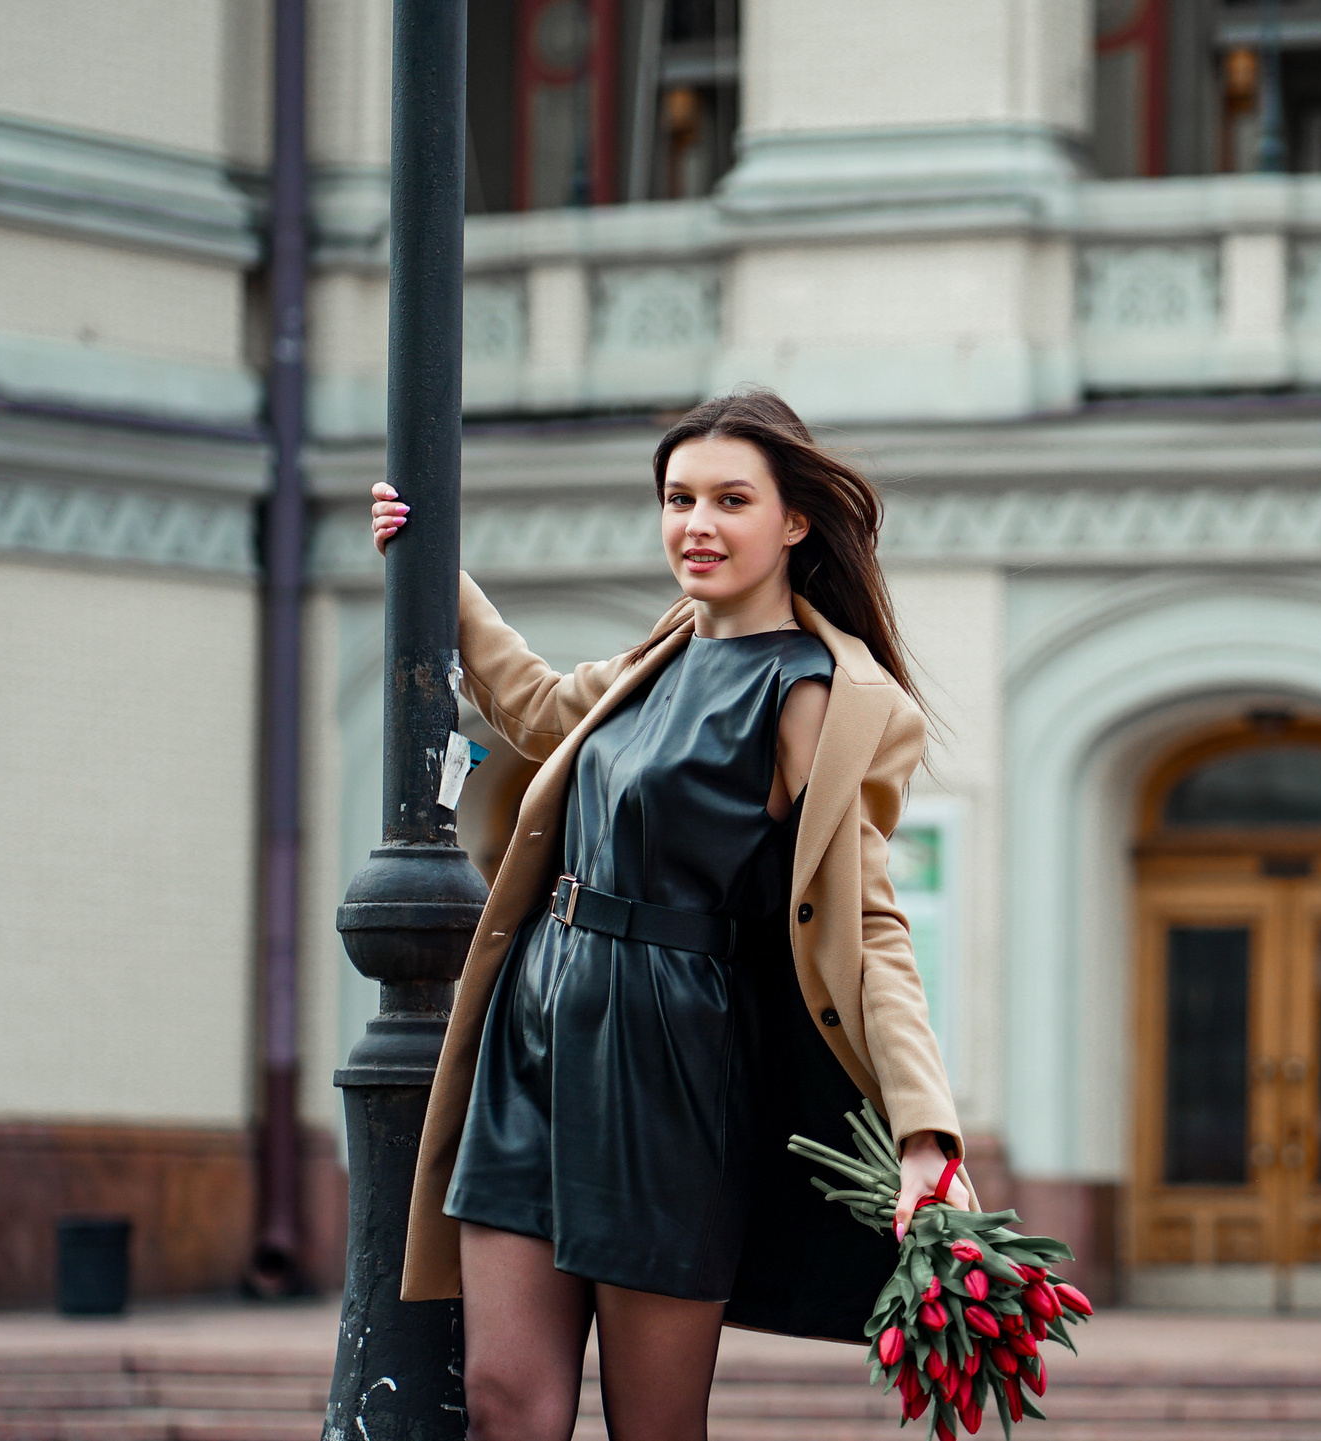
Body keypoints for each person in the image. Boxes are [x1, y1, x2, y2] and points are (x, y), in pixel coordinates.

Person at [369, 387, 972, 1441]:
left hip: (669, 1063)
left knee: (650, 1423)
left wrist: (927, 1134)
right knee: (507, 1404)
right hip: (531, 1037)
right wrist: (432, 569)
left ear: (794, 520)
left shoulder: (814, 697)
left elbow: (869, 927)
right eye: (678, 498)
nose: (697, 523)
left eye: (731, 499)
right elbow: (539, 706)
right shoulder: (662, 655)